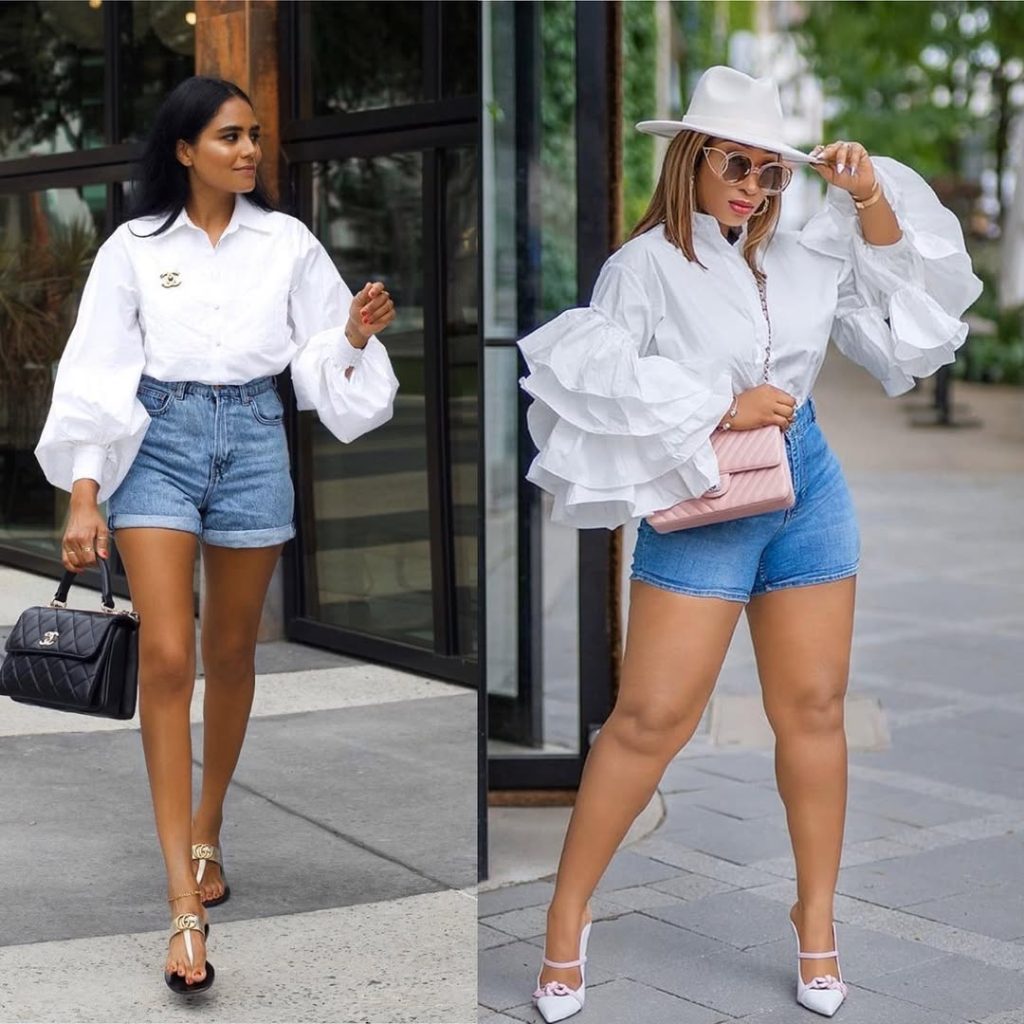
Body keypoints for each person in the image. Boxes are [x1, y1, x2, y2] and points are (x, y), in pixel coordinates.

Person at [517, 65, 981, 1021]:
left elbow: (910, 327)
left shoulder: (810, 255)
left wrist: (869, 196)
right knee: (650, 720)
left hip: (806, 487)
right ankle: (567, 918)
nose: (752, 187)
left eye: (771, 173)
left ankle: (818, 926)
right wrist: (718, 404)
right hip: (706, 488)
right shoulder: (645, 265)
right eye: (736, 163)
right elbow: (591, 369)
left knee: (814, 711)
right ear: (691, 156)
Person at [35, 76, 399, 994]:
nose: (250, 150)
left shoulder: (287, 243)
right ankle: (182, 909)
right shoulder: (133, 247)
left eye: (256, 135)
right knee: (167, 653)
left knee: (230, 653)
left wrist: (352, 334)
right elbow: (98, 369)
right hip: (154, 442)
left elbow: (322, 360)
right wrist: (86, 491)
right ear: (185, 149)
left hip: (253, 441)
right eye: (230, 136)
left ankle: (206, 831)